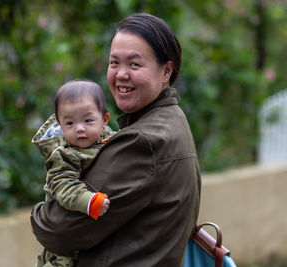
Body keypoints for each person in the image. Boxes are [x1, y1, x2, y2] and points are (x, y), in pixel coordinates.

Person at [31, 13, 201, 266]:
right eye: (114, 63)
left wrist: (38, 215)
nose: (121, 74)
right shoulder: (172, 120)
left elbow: (59, 231)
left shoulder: (144, 141)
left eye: (134, 64)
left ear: (166, 70)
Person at [32, 79, 115, 266]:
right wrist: (89, 201)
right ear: (60, 125)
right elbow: (63, 185)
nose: (79, 128)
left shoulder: (112, 140)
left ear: (104, 120)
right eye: (70, 123)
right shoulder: (63, 154)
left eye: (88, 120)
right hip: (63, 235)